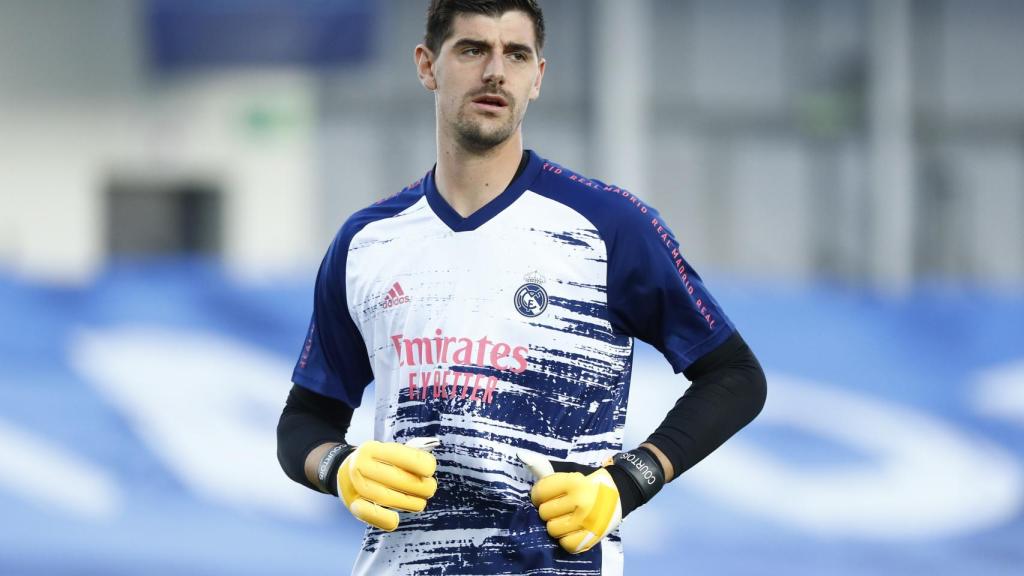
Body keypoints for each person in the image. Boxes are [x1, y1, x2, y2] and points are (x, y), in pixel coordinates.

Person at [276, 1, 767, 574]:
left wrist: (628, 483)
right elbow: (305, 419)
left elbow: (735, 377)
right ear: (426, 66)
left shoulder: (609, 225)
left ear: (538, 77)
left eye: (516, 54)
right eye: (472, 49)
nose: (495, 72)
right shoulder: (368, 240)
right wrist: (341, 467)